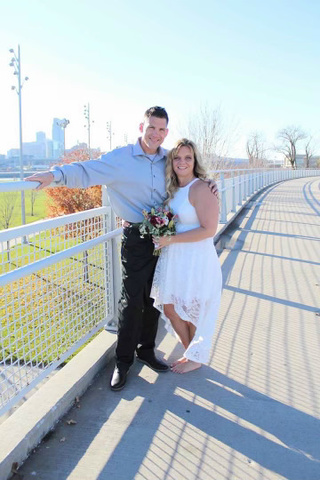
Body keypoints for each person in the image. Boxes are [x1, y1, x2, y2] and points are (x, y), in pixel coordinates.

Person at [25, 107, 218, 390]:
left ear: (167, 132)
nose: (156, 134)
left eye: (162, 129)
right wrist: (54, 175)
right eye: (152, 127)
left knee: (157, 297)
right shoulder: (121, 159)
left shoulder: (169, 158)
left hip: (166, 239)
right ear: (142, 127)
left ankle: (147, 350)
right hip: (138, 237)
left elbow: (190, 180)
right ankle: (123, 361)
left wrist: (208, 182)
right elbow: (86, 170)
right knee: (132, 301)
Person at [151, 138, 222, 373]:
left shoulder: (201, 188)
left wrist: (169, 239)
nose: (182, 162)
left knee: (191, 309)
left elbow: (209, 230)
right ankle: (191, 352)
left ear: (195, 161)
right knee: (171, 308)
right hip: (175, 258)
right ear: (171, 162)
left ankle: (194, 357)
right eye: (177, 157)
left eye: (188, 157)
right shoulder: (173, 190)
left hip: (196, 259)